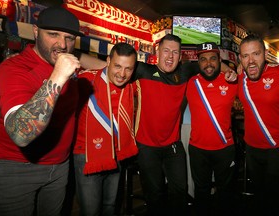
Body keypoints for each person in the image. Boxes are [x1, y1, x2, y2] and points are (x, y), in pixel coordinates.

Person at [78, 34, 236, 216]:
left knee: (180, 192)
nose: (170, 56)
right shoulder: (143, 70)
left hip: (173, 145)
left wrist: (229, 71)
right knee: (155, 196)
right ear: (157, 52)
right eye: (166, 51)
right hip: (146, 147)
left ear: (181, 56)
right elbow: (109, 67)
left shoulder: (185, 72)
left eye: (175, 52)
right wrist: (75, 57)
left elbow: (211, 61)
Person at [0, 6, 88, 216]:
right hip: (17, 168)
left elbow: (87, 61)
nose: (62, 45)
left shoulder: (69, 64)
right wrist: (58, 76)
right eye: (53, 34)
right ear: (36, 32)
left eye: (69, 38)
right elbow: (21, 134)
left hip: (60, 167)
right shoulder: (14, 68)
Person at [73, 43, 138, 216]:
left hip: (116, 155)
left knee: (110, 207)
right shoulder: (86, 79)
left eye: (128, 69)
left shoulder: (132, 86)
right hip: (86, 155)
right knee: (91, 211)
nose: (122, 74)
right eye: (117, 66)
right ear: (108, 61)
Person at [186, 42, 237, 216]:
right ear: (197, 62)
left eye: (213, 59)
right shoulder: (190, 82)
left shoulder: (232, 80)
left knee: (226, 194)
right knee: (201, 193)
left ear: (219, 60)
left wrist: (230, 71)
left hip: (225, 149)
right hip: (198, 149)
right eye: (203, 59)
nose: (208, 64)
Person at [237, 34, 279, 216]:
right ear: (240, 59)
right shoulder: (240, 78)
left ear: (266, 54)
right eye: (246, 56)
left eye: (256, 54)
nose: (251, 61)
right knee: (259, 196)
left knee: (274, 197)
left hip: (275, 149)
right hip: (252, 149)